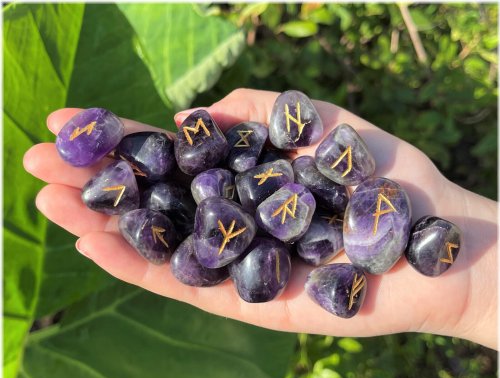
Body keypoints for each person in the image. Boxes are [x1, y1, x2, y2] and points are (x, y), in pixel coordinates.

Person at [23, 88, 498, 350]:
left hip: (291, 222)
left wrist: (476, 294)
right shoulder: (212, 194)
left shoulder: (302, 195)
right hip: (242, 215)